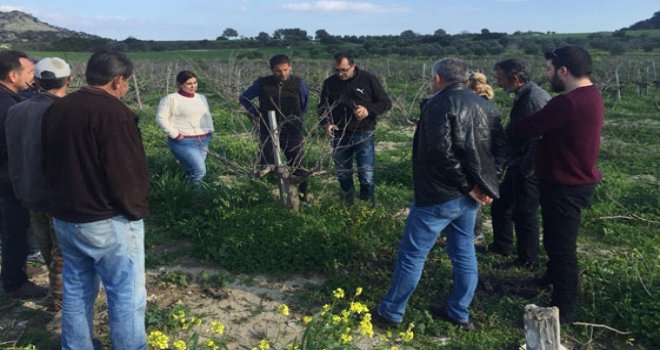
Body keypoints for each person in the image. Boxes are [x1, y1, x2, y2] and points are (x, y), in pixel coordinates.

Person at [376, 58, 500, 330]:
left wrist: (468, 185)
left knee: (412, 254)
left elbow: (440, 154)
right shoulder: (486, 105)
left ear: (437, 79)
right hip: (470, 197)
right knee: (464, 251)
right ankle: (459, 312)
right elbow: (496, 152)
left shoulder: (437, 105)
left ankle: (391, 312)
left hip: (439, 195)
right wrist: (484, 186)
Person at [42, 49, 150, 349]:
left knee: (76, 288)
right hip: (106, 219)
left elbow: (48, 161)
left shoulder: (58, 108)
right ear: (117, 81)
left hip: (67, 216)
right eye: (126, 82)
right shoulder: (115, 114)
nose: (126, 88)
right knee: (126, 292)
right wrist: (135, 211)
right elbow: (126, 173)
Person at [514, 46, 604, 323]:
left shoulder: (566, 103)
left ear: (563, 71)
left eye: (550, 68)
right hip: (575, 180)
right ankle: (550, 279)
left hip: (565, 184)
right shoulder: (593, 95)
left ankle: (562, 309)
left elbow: (525, 128)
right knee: (555, 239)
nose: (547, 73)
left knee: (562, 248)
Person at [5, 57, 72, 311]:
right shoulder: (66, 111)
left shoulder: (16, 110)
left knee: (47, 247)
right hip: (58, 195)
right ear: (69, 80)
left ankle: (57, 293)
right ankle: (59, 299)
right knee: (63, 252)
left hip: (28, 191)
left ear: (37, 80)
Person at [488, 58, 551, 270]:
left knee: (525, 212)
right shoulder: (524, 96)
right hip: (519, 161)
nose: (498, 82)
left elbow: (539, 137)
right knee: (502, 204)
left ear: (515, 78)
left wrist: (528, 170)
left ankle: (528, 260)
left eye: (500, 78)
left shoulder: (533, 100)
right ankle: (502, 246)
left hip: (528, 166)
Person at [0, 49, 48, 300]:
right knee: (15, 228)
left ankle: (14, 267)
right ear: (12, 75)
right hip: (8, 181)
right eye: (30, 71)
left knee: (11, 229)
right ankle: (14, 283)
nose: (34, 76)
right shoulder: (7, 106)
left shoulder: (9, 97)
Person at [318, 53, 392, 205]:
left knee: (366, 173)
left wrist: (368, 110)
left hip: (363, 132)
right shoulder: (330, 83)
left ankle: (367, 207)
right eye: (337, 70)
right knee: (342, 173)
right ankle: (347, 204)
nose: (340, 74)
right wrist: (326, 123)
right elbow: (322, 107)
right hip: (339, 133)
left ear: (353, 66)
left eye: (344, 70)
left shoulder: (368, 79)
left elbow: (385, 102)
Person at [239, 54, 309, 198]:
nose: (282, 73)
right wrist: (258, 113)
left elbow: (304, 104)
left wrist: (296, 117)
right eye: (278, 71)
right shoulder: (263, 83)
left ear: (290, 67)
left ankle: (302, 196)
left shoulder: (298, 83)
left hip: (292, 130)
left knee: (298, 165)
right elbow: (244, 98)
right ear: (271, 70)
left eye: (285, 69)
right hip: (268, 129)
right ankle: (257, 195)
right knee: (265, 164)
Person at [156, 70, 214, 184]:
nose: (193, 86)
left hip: (203, 139)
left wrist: (210, 130)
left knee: (192, 170)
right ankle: (197, 198)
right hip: (184, 141)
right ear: (180, 84)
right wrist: (175, 134)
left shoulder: (201, 97)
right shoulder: (171, 99)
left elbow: (207, 115)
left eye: (195, 82)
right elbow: (160, 118)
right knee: (200, 170)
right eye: (189, 83)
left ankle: (186, 192)